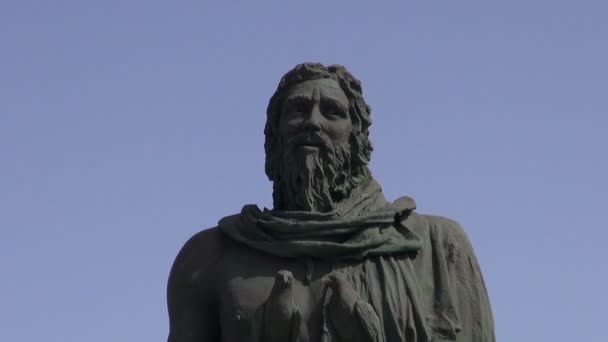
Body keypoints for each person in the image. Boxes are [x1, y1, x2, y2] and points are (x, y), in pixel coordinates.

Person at [167, 63, 495, 342]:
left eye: (332, 112)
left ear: (357, 140)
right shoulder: (208, 258)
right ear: (273, 138)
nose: (313, 121)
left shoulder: (438, 247)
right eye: (297, 110)